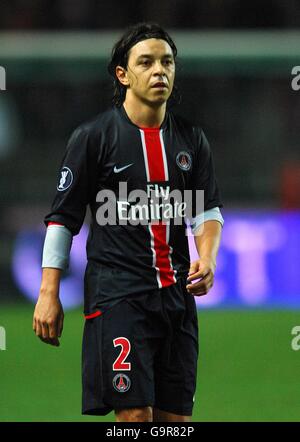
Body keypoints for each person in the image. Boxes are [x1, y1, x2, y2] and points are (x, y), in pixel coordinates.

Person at [33, 22, 224, 422]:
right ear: (123, 75)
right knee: (136, 416)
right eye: (147, 62)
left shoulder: (191, 139)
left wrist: (207, 259)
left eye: (167, 62)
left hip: (176, 300)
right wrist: (49, 292)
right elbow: (63, 219)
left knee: (175, 422)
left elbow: (206, 212)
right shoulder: (93, 138)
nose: (160, 71)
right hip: (118, 296)